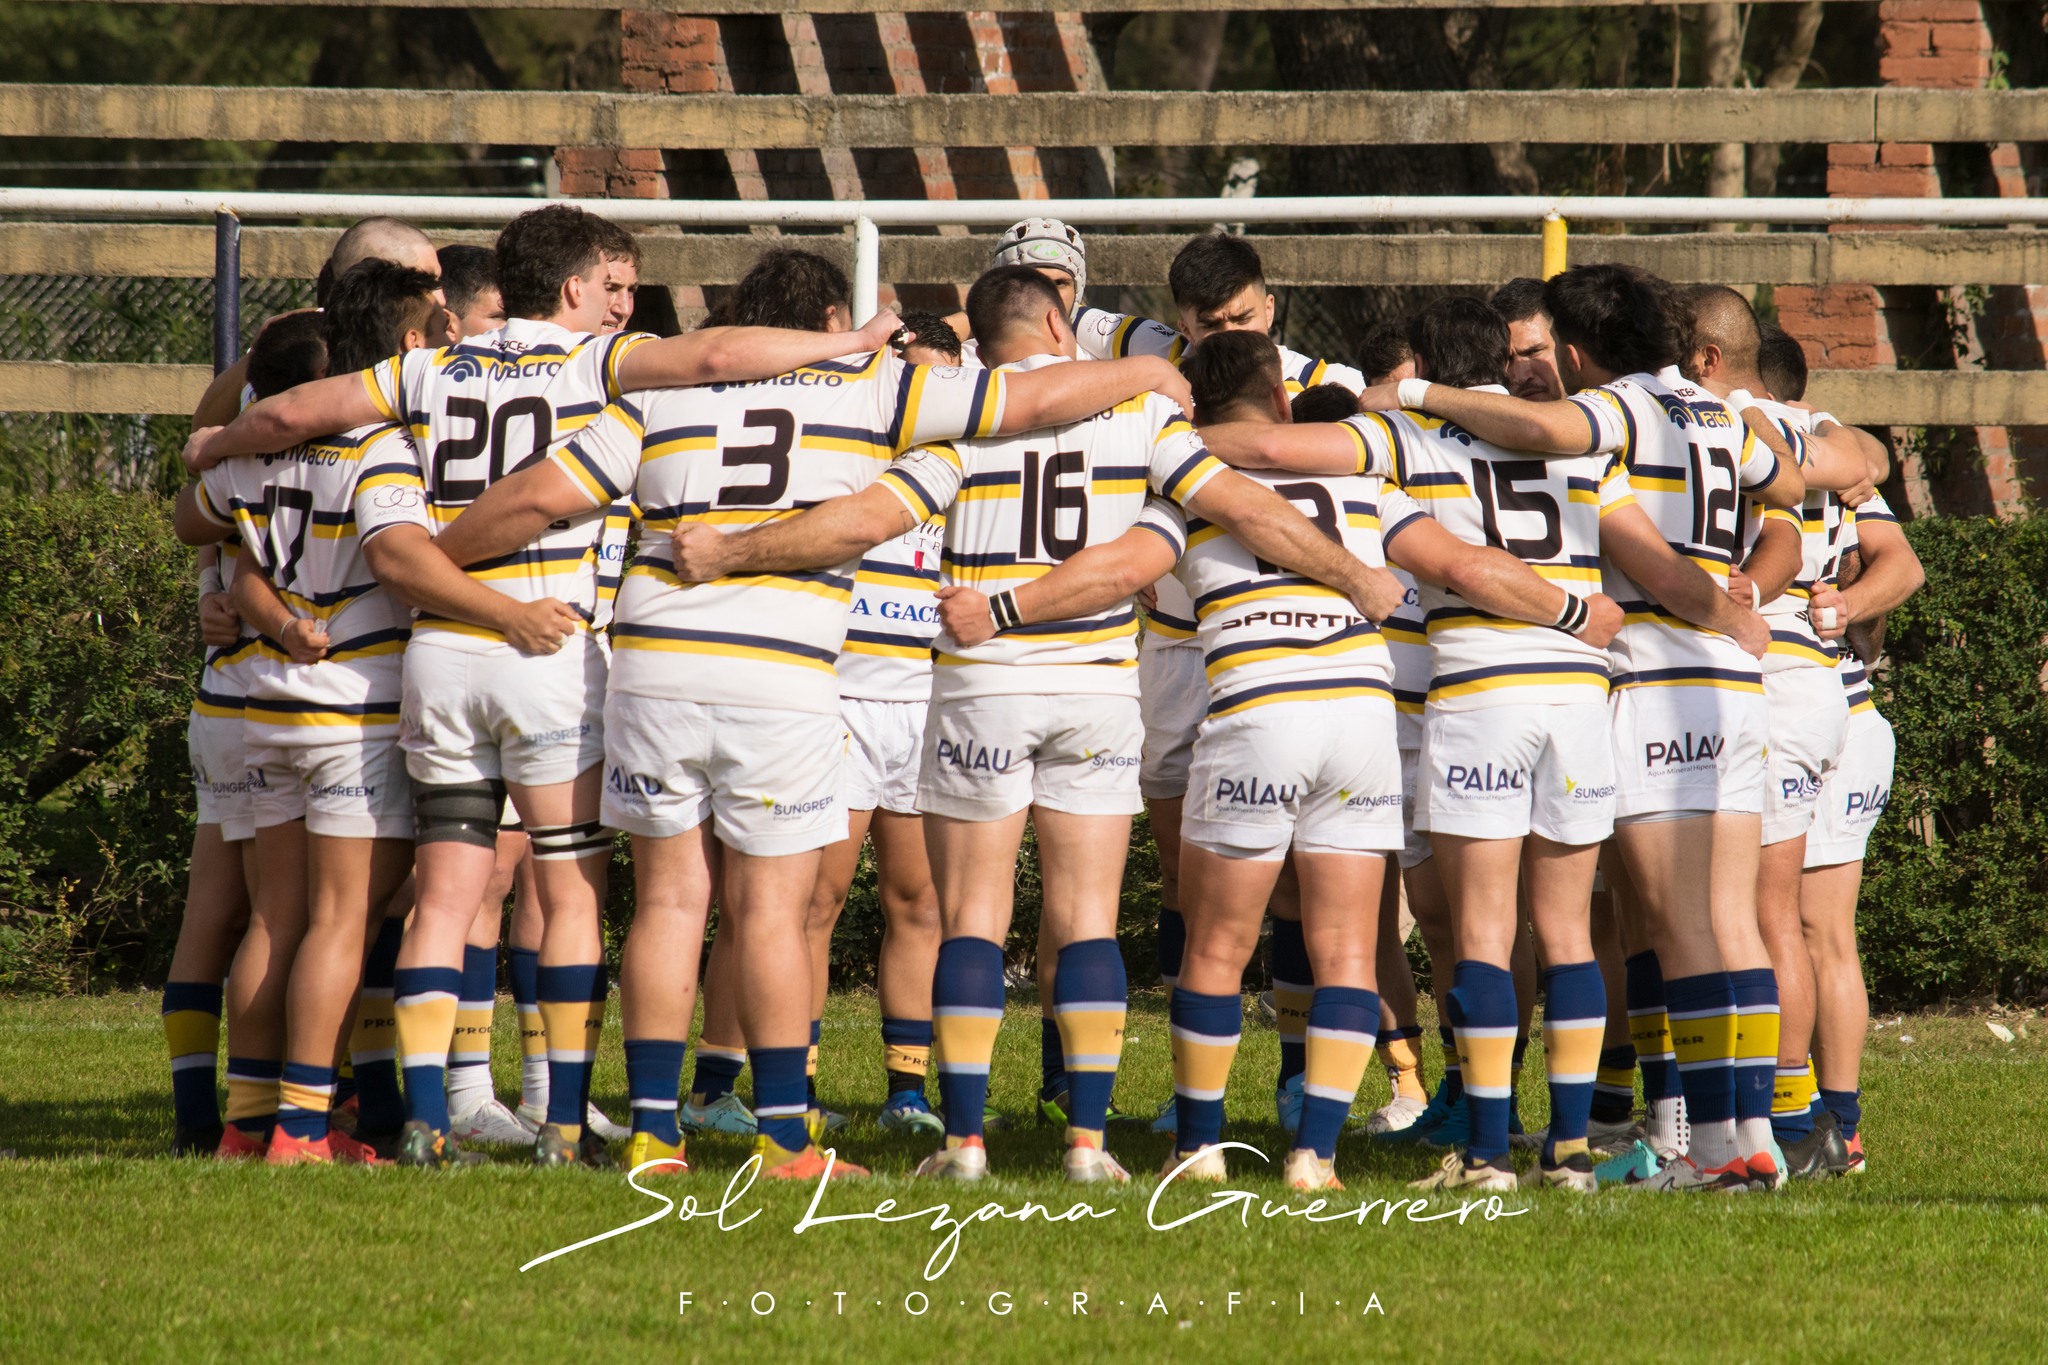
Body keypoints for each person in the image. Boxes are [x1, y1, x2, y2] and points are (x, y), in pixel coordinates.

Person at [430, 253, 1193, 1181]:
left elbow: (542, 497)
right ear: (831, 317)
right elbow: (1026, 403)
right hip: (780, 675)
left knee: (671, 900)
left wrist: (433, 565)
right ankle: (786, 1138)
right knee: (772, 911)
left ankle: (654, 1133)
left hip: (655, 666)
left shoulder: (659, 396)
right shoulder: (869, 385)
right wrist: (1150, 369)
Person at [184, 205, 916, 1170]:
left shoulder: (428, 368)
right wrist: (858, 343)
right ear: (573, 289)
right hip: (547, 646)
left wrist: (216, 444)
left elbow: (291, 414)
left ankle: (423, 1117)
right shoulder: (591, 366)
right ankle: (562, 1121)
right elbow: (712, 358)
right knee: (567, 889)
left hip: (438, 651)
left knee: (443, 893)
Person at [660, 268, 1402, 1184]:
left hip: (982, 685)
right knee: (1086, 916)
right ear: (1060, 320)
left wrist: (733, 551)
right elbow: (1245, 505)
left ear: (985, 339)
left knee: (973, 915)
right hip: (1093, 684)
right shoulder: (1143, 420)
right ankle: (1088, 1145)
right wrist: (1355, 576)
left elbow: (861, 520)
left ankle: (963, 1142)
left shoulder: (964, 420)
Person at [1358, 264, 1810, 1191]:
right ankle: (1748, 1132)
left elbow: (1545, 434)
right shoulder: (1717, 408)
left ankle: (1714, 1147)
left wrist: (1412, 391)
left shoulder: (1614, 412)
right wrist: (1750, 584)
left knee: (1675, 922)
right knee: (1734, 918)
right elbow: (1793, 484)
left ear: (1572, 346)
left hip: (1656, 673)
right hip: (1733, 687)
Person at [171, 260, 451, 1163]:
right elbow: (404, 558)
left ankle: (245, 1126)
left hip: (267, 709)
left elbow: (191, 521)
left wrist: (263, 606)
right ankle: (301, 1127)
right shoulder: (373, 449)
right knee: (341, 924)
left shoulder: (245, 456)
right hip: (352, 711)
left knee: (274, 922)